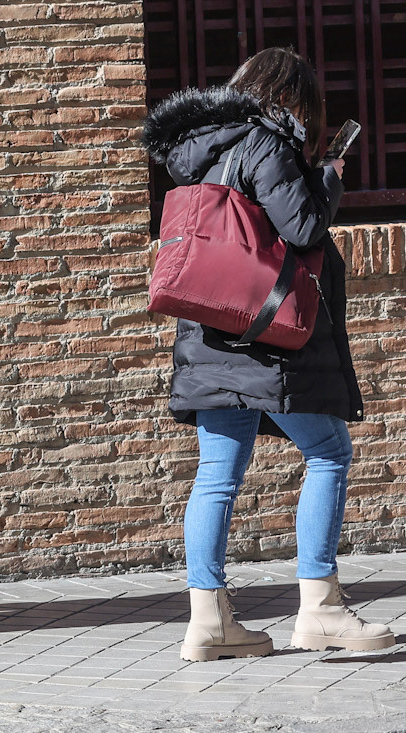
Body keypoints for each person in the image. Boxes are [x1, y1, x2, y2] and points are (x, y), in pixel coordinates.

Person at [142, 48, 395, 661]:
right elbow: (304, 229)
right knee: (330, 451)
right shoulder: (267, 143)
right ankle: (321, 608)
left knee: (216, 478)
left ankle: (208, 621)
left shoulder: (197, 152)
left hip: (207, 335)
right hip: (266, 336)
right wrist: (329, 177)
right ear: (293, 102)